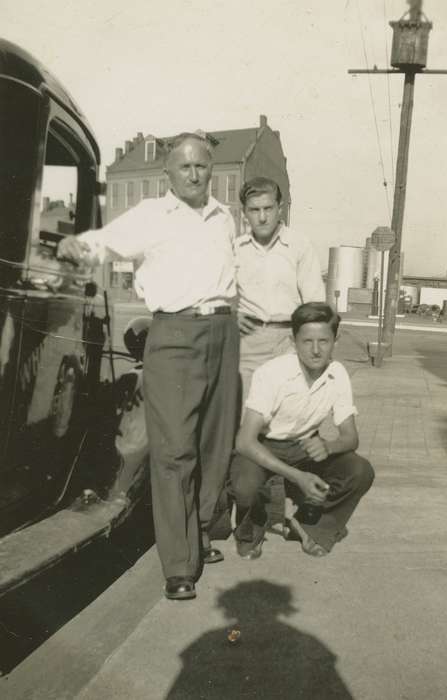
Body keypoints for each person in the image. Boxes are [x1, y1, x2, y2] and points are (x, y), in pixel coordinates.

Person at [57, 132, 239, 600]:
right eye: (185, 167)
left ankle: (198, 535)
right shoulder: (152, 215)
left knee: (215, 448)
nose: (195, 175)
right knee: (176, 450)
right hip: (175, 336)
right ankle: (179, 565)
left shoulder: (223, 218)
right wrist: (78, 246)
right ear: (168, 174)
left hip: (223, 333)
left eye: (202, 166)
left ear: (210, 170)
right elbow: (109, 242)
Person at [230, 302, 374, 559]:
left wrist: (329, 446)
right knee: (245, 486)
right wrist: (297, 477)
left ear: (335, 340)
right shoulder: (272, 373)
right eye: (307, 341)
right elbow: (244, 442)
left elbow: (351, 437)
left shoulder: (337, 373)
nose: (316, 351)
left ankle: (308, 525)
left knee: (359, 471)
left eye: (324, 341)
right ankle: (252, 527)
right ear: (293, 340)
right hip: (262, 445)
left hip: (303, 445)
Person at [235, 177, 325, 402]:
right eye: (254, 210)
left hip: (289, 342)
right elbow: (217, 294)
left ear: (280, 208)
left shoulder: (299, 246)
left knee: (288, 418)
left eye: (268, 208)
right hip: (248, 344)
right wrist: (230, 313)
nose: (262, 217)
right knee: (248, 421)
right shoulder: (235, 249)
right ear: (244, 212)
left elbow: (315, 305)